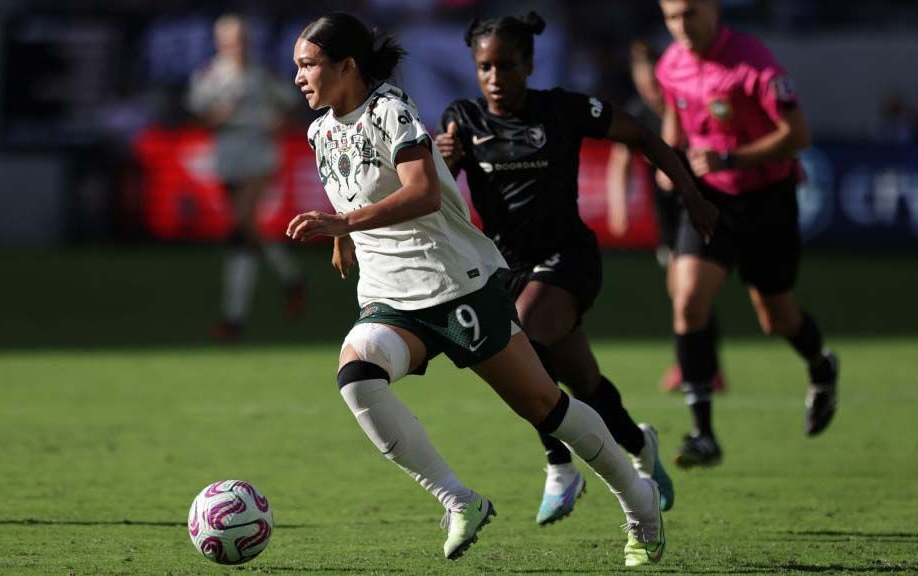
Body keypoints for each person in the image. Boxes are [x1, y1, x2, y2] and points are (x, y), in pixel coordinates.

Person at [288, 12, 689, 566]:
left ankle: (639, 502)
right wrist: (344, 236)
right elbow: (354, 191)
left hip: (455, 287)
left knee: (545, 406)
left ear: (346, 66)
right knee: (357, 377)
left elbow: (424, 192)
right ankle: (459, 501)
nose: (299, 77)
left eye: (308, 65)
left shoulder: (390, 111)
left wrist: (345, 225)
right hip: (389, 299)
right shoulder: (319, 130)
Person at [435, 14, 716, 523]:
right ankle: (640, 445)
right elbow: (439, 191)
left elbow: (644, 138)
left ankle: (560, 465)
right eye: (485, 67)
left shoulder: (562, 109)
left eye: (506, 65)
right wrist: (443, 160)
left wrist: (692, 197)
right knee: (584, 382)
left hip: (568, 258)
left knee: (524, 350)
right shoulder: (463, 119)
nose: (495, 77)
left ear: (529, 64)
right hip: (510, 268)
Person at [655, 0, 840, 468]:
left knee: (776, 318)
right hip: (710, 203)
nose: (682, 25)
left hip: (765, 200)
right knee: (689, 300)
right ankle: (703, 434)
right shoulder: (670, 65)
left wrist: (731, 159)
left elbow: (797, 135)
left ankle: (821, 366)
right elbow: (674, 128)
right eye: (672, 16)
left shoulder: (753, 62)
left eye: (690, 13)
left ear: (714, 9)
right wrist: (670, 166)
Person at [605, 40, 726, 395]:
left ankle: (695, 367)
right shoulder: (638, 113)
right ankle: (702, 365)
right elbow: (620, 159)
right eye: (643, 87)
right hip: (666, 215)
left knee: (686, 292)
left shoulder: (687, 105)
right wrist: (618, 207)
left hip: (697, 207)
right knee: (684, 294)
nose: (651, 94)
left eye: (655, 86)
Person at [187, 14, 306, 339]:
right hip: (228, 157)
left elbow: (290, 106)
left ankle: (233, 318)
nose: (236, 45)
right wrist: (217, 116)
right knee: (249, 228)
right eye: (229, 39)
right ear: (220, 42)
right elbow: (198, 114)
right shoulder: (210, 76)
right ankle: (292, 277)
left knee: (240, 228)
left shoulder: (262, 75)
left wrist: (278, 121)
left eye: (240, 38)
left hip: (258, 155)